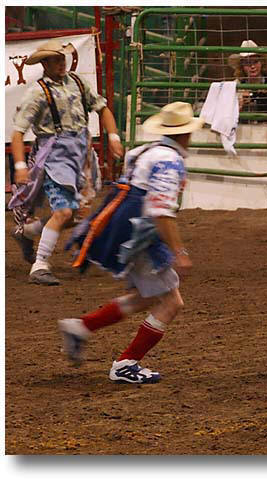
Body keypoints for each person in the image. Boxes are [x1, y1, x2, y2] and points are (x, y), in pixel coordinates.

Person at [58, 101, 203, 384]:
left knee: (146, 296)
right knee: (171, 301)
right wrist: (179, 251)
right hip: (140, 230)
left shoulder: (145, 151)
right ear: (185, 134)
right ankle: (126, 363)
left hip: (123, 222)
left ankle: (81, 327)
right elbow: (161, 210)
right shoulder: (169, 161)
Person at [9, 38, 124, 285]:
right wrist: (20, 167)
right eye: (56, 59)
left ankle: (27, 233)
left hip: (81, 155)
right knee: (63, 212)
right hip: (54, 157)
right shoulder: (38, 92)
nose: (62, 63)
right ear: (45, 63)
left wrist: (113, 137)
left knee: (76, 215)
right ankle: (40, 265)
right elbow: (18, 132)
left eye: (63, 58)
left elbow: (102, 109)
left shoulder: (79, 83)